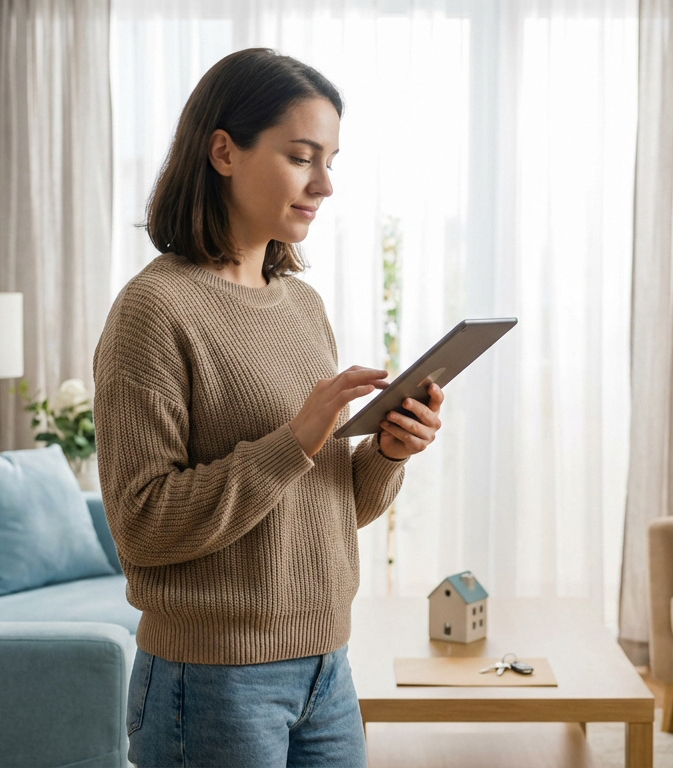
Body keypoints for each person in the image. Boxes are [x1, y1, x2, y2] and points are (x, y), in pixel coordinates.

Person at [93, 47, 444, 768]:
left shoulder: (301, 306)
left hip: (326, 666)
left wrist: (385, 453)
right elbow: (142, 525)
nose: (324, 183)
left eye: (331, 161)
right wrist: (294, 440)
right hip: (212, 680)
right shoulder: (154, 311)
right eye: (301, 157)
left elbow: (326, 506)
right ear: (224, 151)